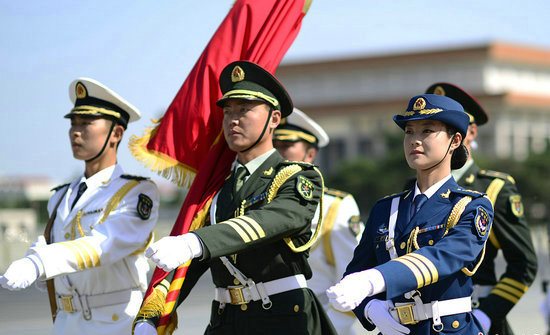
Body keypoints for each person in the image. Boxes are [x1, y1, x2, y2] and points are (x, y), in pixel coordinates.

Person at [134, 61, 336, 335]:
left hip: (283, 320)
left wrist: (195, 241)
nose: (233, 120)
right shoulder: (217, 187)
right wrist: (154, 314)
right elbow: (188, 265)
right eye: (228, 111)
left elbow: (271, 220)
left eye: (244, 110)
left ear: (274, 119)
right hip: (225, 321)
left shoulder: (297, 177)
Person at [0, 78, 160, 334]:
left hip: (116, 323)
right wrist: (35, 256)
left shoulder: (136, 192)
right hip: (66, 323)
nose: (75, 131)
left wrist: (40, 262)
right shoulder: (61, 195)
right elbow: (51, 242)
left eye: (86, 123)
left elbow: (104, 245)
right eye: (73, 123)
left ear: (116, 134)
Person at [326, 94, 494, 334]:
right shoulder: (386, 208)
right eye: (409, 132)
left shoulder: (471, 206)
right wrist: (371, 308)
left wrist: (374, 280)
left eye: (427, 131)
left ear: (455, 140)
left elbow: (442, 257)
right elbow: (355, 273)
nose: (415, 140)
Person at [425, 82, 538, 334]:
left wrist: (486, 316)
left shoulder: (494, 189)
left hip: (475, 316)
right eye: (432, 127)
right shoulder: (413, 189)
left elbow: (524, 265)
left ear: (471, 132)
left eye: (454, 126)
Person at [273, 107, 363, 334]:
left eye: (286, 146)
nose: (278, 153)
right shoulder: (259, 204)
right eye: (274, 146)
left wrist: (323, 328)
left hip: (319, 323)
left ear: (310, 154)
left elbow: (353, 280)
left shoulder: (336, 207)